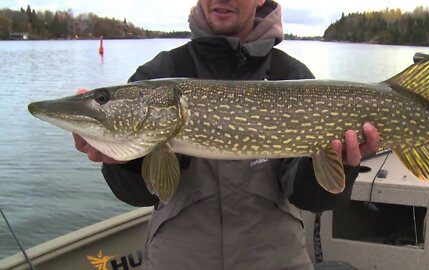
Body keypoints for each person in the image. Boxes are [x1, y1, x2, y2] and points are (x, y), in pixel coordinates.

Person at [73, 0, 380, 269]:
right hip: (180, 261)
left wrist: (345, 164)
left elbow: (307, 196)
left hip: (274, 259)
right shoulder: (161, 73)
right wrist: (125, 159)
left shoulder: (289, 74)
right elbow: (137, 194)